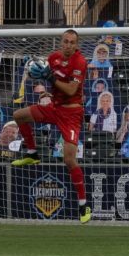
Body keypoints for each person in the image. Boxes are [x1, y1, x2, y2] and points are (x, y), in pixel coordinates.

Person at [11, 30, 91, 224]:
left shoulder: (80, 62)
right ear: (61, 42)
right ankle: (32, 154)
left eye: (72, 42)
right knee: (18, 116)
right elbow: (43, 73)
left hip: (72, 114)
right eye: (66, 41)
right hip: (54, 107)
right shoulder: (53, 57)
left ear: (76, 44)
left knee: (69, 159)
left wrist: (50, 78)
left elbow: (71, 89)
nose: (69, 45)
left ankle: (83, 206)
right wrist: (33, 70)